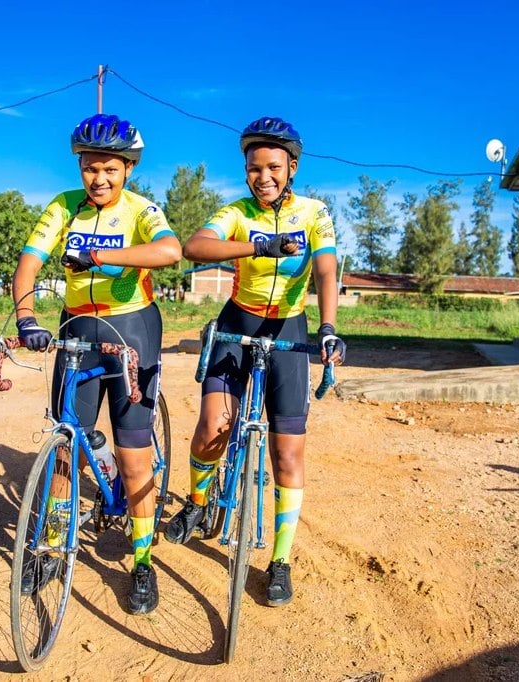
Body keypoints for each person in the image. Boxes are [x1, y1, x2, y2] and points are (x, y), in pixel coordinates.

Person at [164, 116, 347, 607]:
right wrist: (257, 245)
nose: (262, 176)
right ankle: (199, 505)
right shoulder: (237, 212)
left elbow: (326, 267)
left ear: (291, 166)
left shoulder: (314, 212)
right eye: (252, 168)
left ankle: (281, 559)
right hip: (237, 322)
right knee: (212, 426)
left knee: (288, 453)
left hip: (289, 325)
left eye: (272, 166)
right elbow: (193, 247)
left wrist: (328, 328)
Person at [11, 113, 182, 615]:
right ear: (80, 167)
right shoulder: (63, 207)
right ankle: (49, 548)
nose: (99, 178)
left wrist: (105, 260)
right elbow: (28, 264)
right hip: (76, 328)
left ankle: (143, 563)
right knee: (66, 448)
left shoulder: (141, 208)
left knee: (133, 458)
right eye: (90, 168)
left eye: (110, 168)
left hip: (132, 328)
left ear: (127, 168)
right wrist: (26, 319)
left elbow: (170, 250)